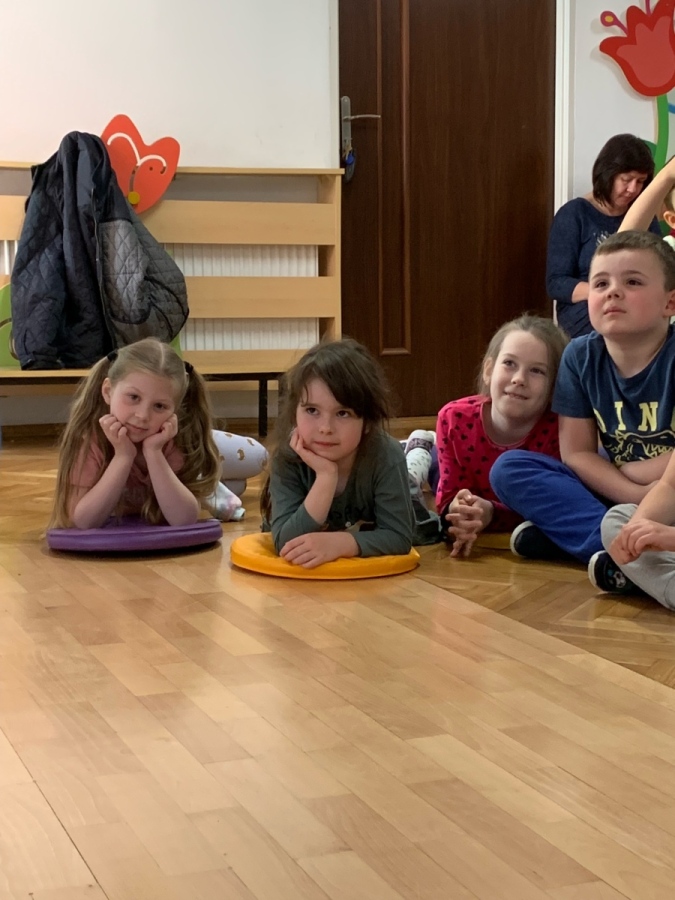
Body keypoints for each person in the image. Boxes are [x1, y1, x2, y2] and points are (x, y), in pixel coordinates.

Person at [489, 231, 675, 578]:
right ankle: (621, 553)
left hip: (666, 490)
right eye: (600, 283)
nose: (613, 291)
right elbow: (576, 454)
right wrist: (633, 492)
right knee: (510, 470)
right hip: (620, 490)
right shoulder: (579, 356)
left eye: (632, 282)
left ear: (670, 303)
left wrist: (637, 474)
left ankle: (607, 553)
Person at [407, 315, 567, 558]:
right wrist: (459, 512)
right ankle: (418, 448)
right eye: (509, 363)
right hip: (457, 468)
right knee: (432, 470)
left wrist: (492, 513)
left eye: (537, 371)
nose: (519, 379)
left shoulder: (560, 430)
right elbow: (447, 501)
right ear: (489, 370)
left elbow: (551, 507)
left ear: (555, 385)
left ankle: (421, 447)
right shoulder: (454, 419)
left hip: (497, 503)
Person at [261, 338, 414, 568]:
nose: (325, 428)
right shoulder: (288, 458)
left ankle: (419, 450)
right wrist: (326, 476)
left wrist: (341, 543)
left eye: (342, 413)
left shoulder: (387, 456)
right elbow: (286, 543)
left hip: (404, 486)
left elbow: (399, 537)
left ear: (368, 422)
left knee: (414, 484)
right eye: (312, 410)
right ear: (294, 413)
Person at [50, 338, 223, 529]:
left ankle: (222, 486)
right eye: (133, 397)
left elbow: (183, 520)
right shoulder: (89, 439)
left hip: (223, 447)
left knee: (245, 458)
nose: (142, 416)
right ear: (108, 391)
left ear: (175, 411)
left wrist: (154, 453)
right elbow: (83, 521)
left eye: (159, 406)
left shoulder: (176, 438)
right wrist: (123, 456)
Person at [546, 133, 659, 339]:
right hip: (586, 312)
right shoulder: (574, 214)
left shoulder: (645, 216)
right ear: (607, 175)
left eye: (640, 181)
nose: (633, 189)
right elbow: (556, 283)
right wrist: (603, 292)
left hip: (635, 306)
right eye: (626, 180)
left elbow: (660, 266)